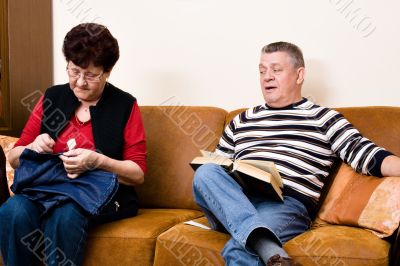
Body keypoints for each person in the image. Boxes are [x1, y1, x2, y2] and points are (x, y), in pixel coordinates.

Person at [192, 41, 400, 266]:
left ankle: (256, 240)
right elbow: (220, 168)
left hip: (284, 204)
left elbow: (368, 156)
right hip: (235, 202)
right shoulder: (242, 120)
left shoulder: (323, 118)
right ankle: (265, 244)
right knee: (206, 171)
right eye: (262, 71)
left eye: (276, 69)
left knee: (241, 249)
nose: (267, 77)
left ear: (299, 74)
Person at [0, 23, 147, 265]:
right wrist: (33, 146)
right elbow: (15, 157)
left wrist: (97, 161)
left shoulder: (124, 105)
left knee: (65, 215)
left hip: (97, 194)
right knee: (13, 210)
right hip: (46, 189)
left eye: (90, 75)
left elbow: (138, 173)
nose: (80, 82)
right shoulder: (52, 97)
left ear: (108, 71)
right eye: (74, 71)